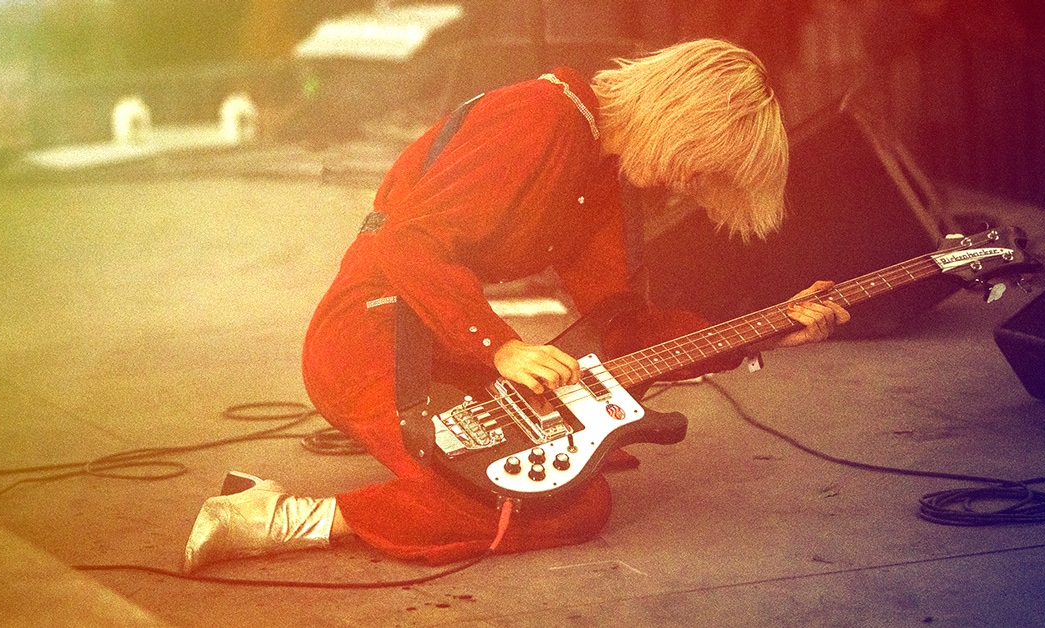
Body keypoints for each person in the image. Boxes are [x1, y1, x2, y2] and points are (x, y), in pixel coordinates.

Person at [181, 39, 850, 572]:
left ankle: (375, 489)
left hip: (448, 349)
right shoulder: (540, 117)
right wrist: (499, 344)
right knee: (563, 509)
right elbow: (408, 243)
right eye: (702, 164)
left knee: (575, 488)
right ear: (682, 118)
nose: (693, 187)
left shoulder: (604, 175)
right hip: (365, 339)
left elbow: (622, 330)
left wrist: (764, 329)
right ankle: (275, 517)